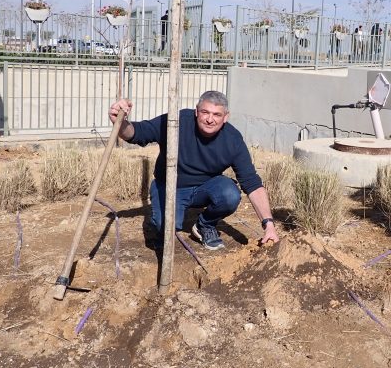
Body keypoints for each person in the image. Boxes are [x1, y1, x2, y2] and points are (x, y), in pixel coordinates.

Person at [108, 90, 280, 251]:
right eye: (205, 112)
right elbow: (137, 133)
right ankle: (162, 225)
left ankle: (205, 225)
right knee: (166, 226)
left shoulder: (232, 139)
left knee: (230, 194)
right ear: (197, 111)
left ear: (225, 117)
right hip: (169, 187)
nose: (210, 119)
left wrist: (269, 225)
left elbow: (252, 183)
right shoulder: (177, 122)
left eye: (217, 114)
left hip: (205, 189)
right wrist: (120, 122)